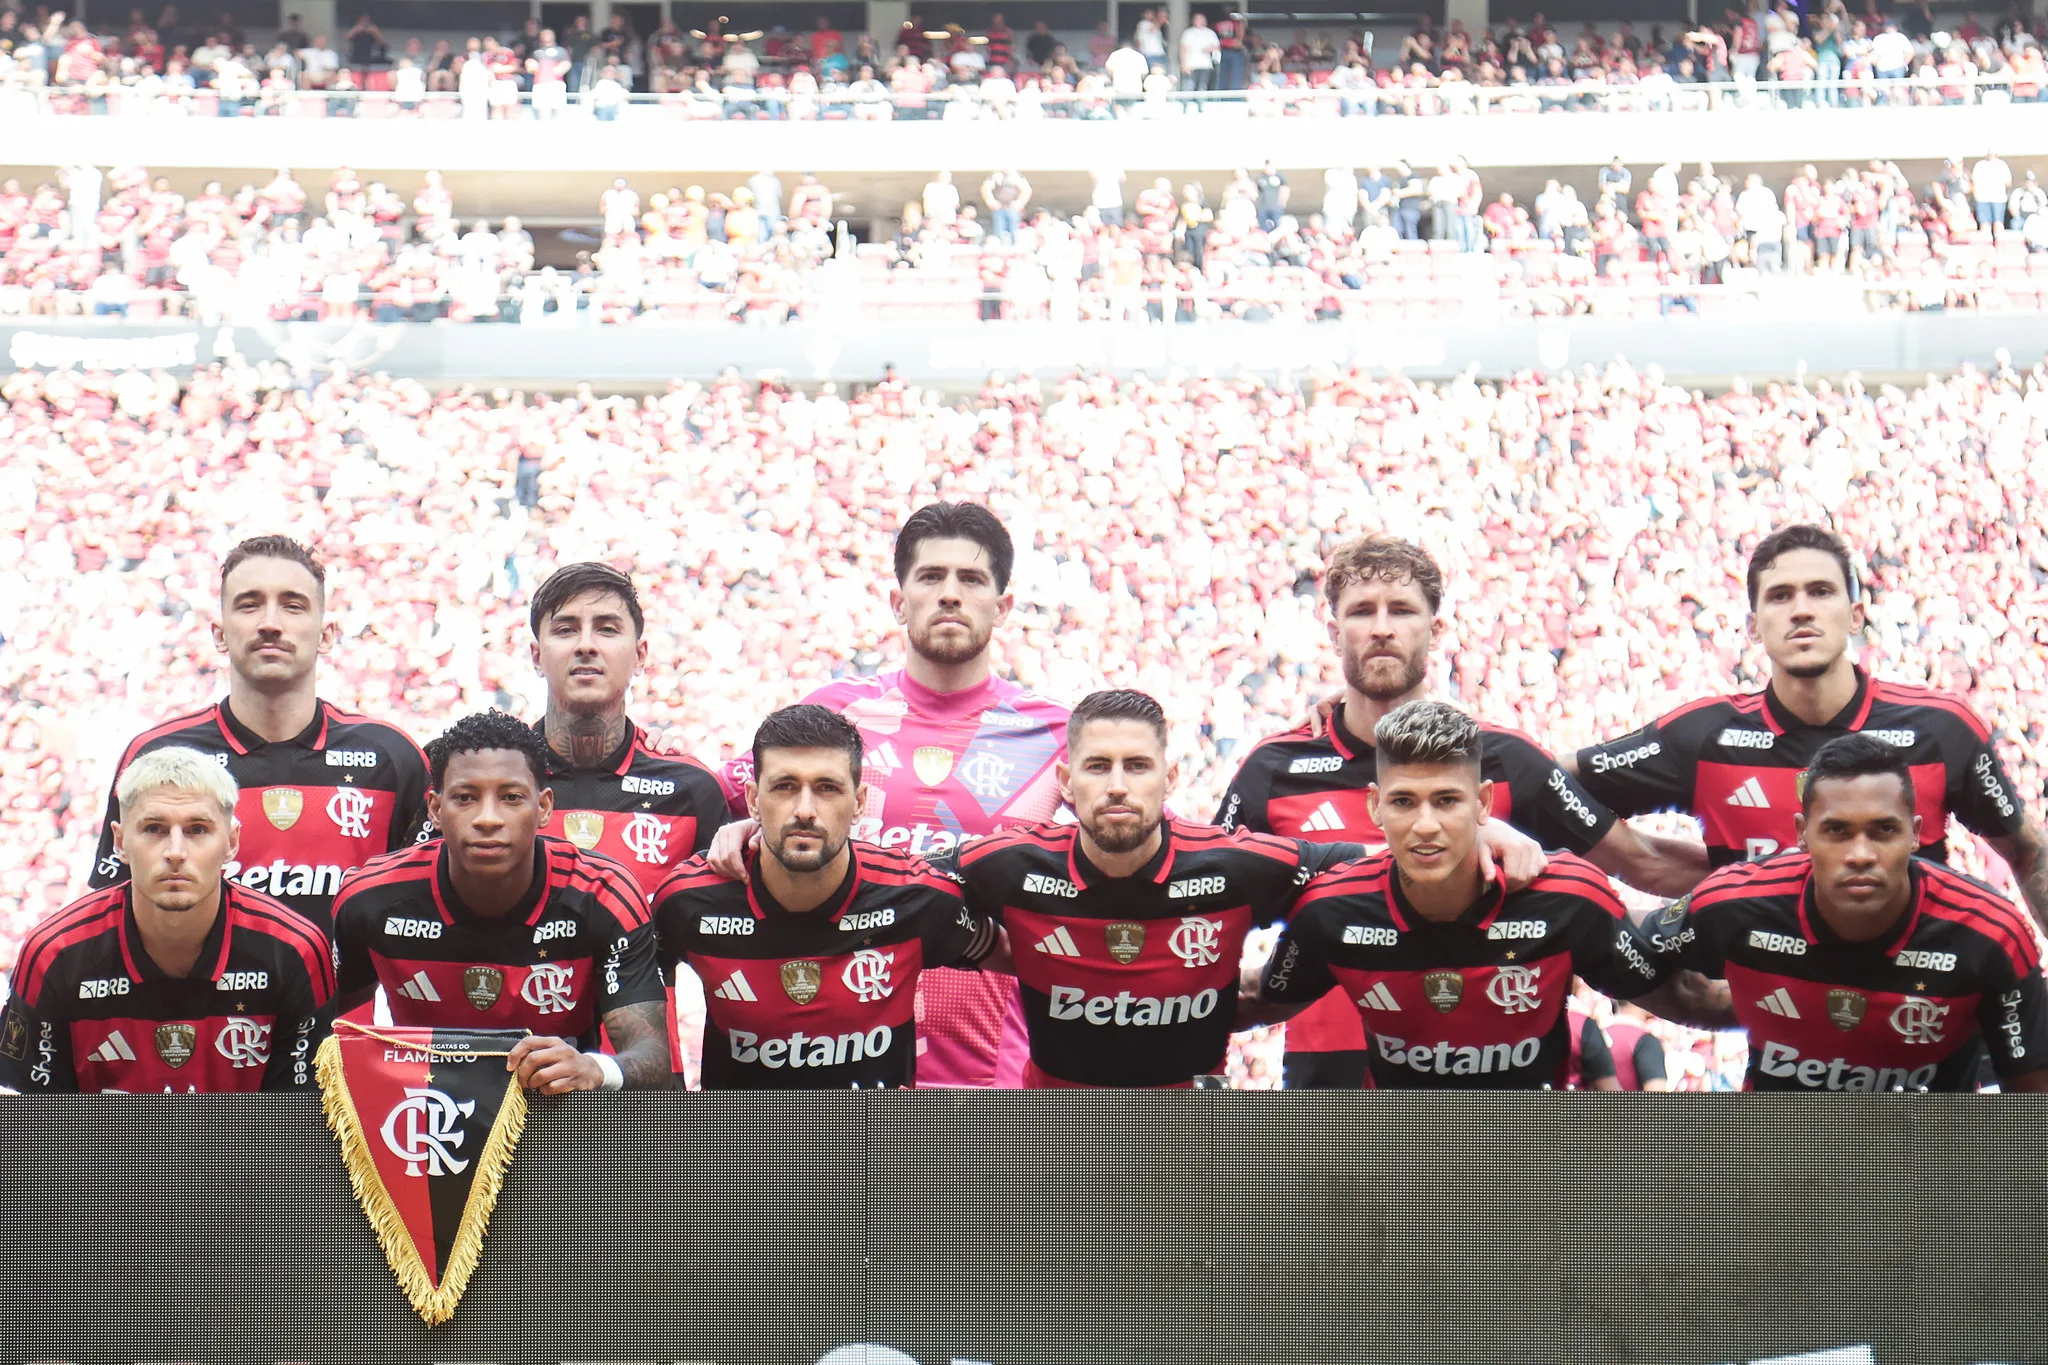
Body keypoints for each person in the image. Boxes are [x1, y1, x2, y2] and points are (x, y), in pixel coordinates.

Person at [1218, 535, 1708, 1088]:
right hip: (1328, 1077)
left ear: (1437, 629)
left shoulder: (1506, 760)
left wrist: (1796, 884)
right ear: (1334, 632)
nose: (1382, 627)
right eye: (1362, 612)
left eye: (1402, 610)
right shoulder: (1274, 768)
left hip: (1487, 1073)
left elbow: (1640, 860)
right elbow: (1200, 903)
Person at [711, 503, 1066, 1089]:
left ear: (1002, 607)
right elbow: (713, 798)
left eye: (971, 579)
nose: (950, 594)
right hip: (833, 1065)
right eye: (931, 577)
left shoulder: (1057, 734)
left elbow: (1154, 853)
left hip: (990, 1080)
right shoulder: (833, 711)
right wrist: (743, 826)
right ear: (898, 602)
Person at [1569, 524, 2048, 930]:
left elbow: (2028, 854)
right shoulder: (1702, 736)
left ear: (1855, 615)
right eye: (1781, 596)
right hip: (1782, 1026)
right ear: (1754, 626)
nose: (1801, 609)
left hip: (1928, 1019)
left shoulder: (1942, 728)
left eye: (1821, 592)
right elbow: (1544, 781)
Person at [1245, 702, 1715, 1089]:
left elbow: (1686, 996)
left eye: (1447, 800)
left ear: (1484, 803)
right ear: (1375, 805)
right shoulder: (1328, 911)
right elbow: (1258, 998)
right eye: (1404, 801)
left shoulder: (1571, 898)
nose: (1426, 825)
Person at [953, 690, 1366, 1089]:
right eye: (1097, 766)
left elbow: (1378, 868)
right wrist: (996, 950)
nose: (1117, 785)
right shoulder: (1013, 864)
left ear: (1170, 779)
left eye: (1137, 766)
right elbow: (913, 885)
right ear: (1064, 781)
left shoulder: (1235, 865)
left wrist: (1278, 985)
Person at [1664, 734, 2048, 1091]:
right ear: (1803, 833)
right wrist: (1741, 1005)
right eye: (1837, 831)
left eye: (1883, 830)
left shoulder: (1993, 935)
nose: (1861, 855)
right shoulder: (1732, 902)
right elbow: (1629, 960)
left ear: (1914, 834)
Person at [87, 536, 430, 932]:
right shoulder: (157, 755)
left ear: (326, 634)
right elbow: (108, 918)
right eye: (249, 604)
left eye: (293, 605)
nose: (270, 623)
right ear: (218, 633)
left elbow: (426, 914)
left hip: (348, 998)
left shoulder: (393, 756)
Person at [655, 706, 998, 1089]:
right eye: (784, 786)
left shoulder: (917, 897)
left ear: (859, 802)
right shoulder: (687, 900)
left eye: (827, 788)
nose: (805, 810)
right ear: (752, 800)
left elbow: (1030, 960)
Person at [329, 711, 671, 1093]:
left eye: (510, 797)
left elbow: (654, 1057)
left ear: (543, 808)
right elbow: (325, 1029)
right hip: (418, 1116)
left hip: (558, 1114)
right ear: (436, 810)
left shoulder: (603, 894)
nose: (488, 818)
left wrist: (594, 1069)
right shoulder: (370, 899)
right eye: (465, 798)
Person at [0, 748, 332, 1094]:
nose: (175, 851)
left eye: (197, 829)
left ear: (231, 842)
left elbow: (300, 1130)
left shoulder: (295, 951)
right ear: (120, 841)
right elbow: (32, 1129)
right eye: (155, 829)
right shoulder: (55, 954)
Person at [523, 563, 725, 896]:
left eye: (607, 629)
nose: (586, 645)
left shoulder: (691, 789)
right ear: (536, 656)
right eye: (565, 630)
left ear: (640, 655)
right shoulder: (490, 781)